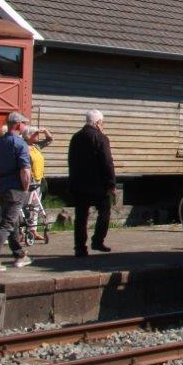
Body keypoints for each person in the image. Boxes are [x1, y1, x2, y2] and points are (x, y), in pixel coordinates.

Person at [0, 111, 33, 272]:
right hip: (15, 189)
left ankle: (19, 255)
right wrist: (25, 189)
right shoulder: (20, 144)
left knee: (13, 222)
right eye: (24, 123)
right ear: (18, 125)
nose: (26, 126)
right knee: (7, 224)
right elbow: (25, 170)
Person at [68, 109, 116, 257]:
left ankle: (80, 248)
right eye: (102, 123)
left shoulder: (75, 138)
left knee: (81, 216)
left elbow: (71, 160)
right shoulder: (101, 138)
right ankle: (97, 241)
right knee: (105, 211)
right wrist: (111, 183)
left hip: (78, 183)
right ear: (98, 123)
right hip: (98, 185)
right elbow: (107, 162)